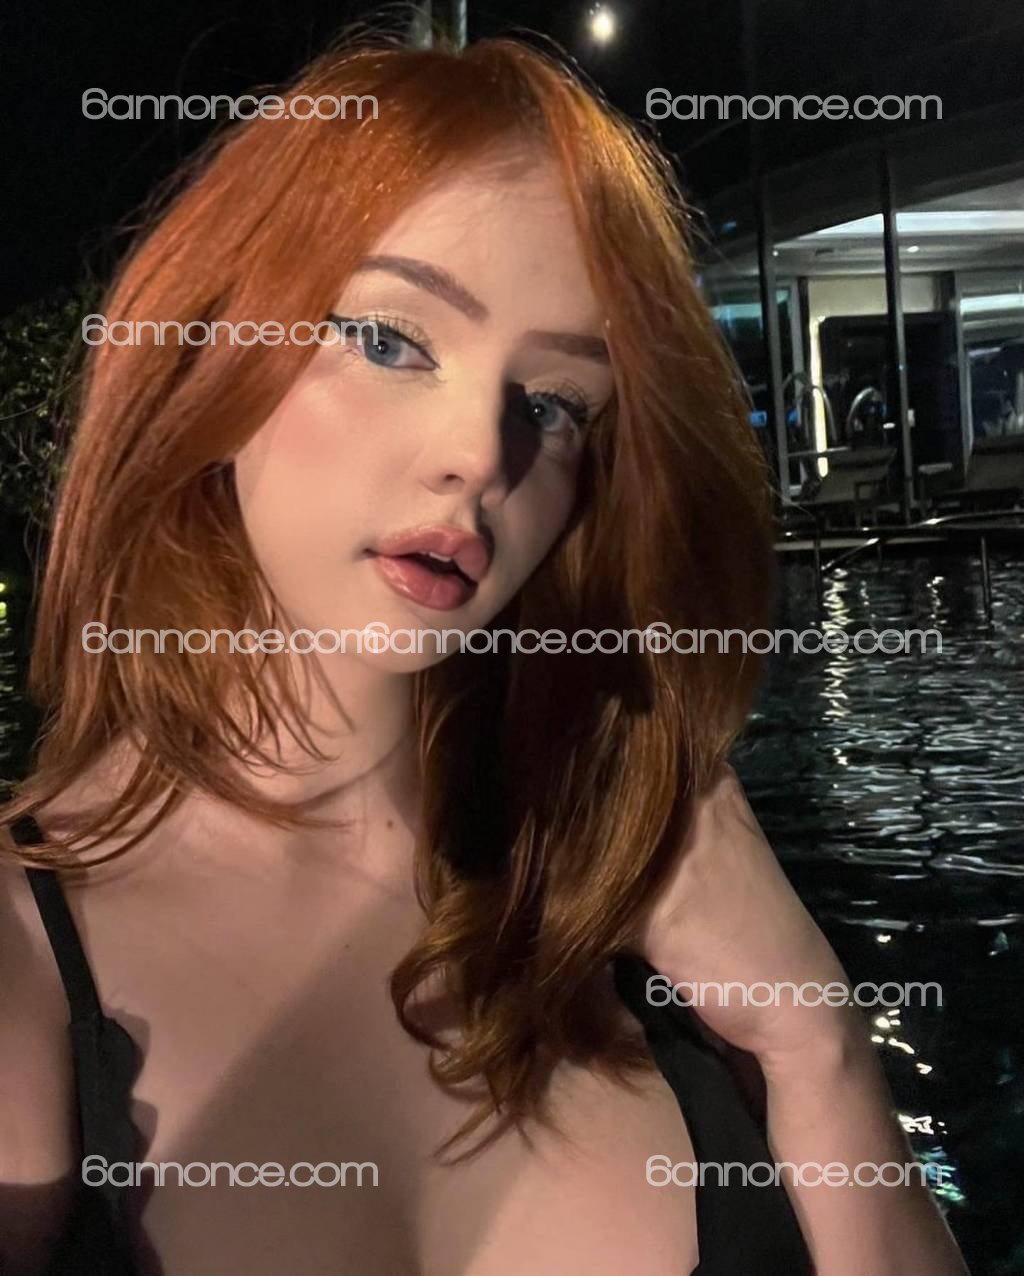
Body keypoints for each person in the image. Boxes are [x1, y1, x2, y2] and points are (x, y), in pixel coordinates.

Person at [0, 30, 969, 1276]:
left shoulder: (647, 903)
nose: (481, 453)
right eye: (389, 340)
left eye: (554, 403)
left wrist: (813, 1042)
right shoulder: (26, 953)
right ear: (208, 346)